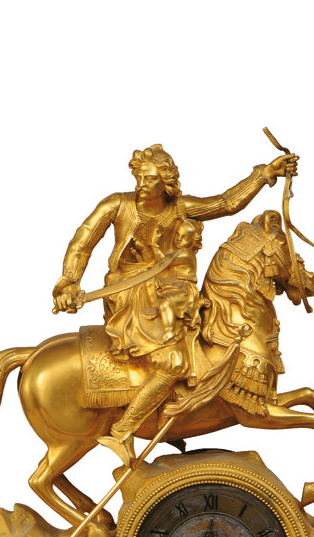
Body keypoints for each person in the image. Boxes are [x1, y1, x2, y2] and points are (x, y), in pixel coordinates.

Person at [52, 143, 296, 462]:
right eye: (139, 178)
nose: (141, 185)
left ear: (166, 182)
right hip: (133, 294)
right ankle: (123, 430)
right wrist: (69, 280)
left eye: (150, 179)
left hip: (179, 294)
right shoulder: (117, 204)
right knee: (174, 363)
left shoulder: (181, 208)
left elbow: (227, 203)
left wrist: (264, 174)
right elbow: (82, 243)